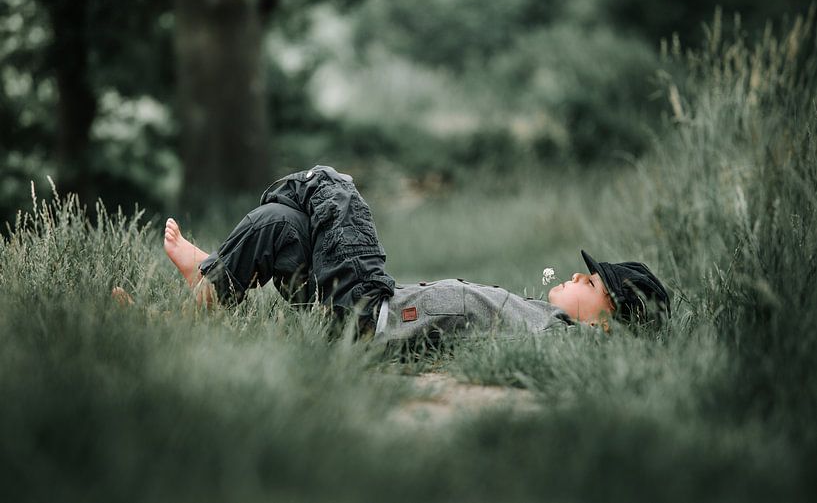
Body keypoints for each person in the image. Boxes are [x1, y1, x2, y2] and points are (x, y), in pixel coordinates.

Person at [157, 165, 670, 342]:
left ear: (608, 324)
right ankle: (202, 302)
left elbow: (623, 348)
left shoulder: (567, 338)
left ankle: (209, 281)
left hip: (368, 315)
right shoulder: (539, 319)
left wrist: (623, 336)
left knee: (333, 187)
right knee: (283, 227)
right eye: (587, 275)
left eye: (593, 286)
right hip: (354, 313)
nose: (580, 279)